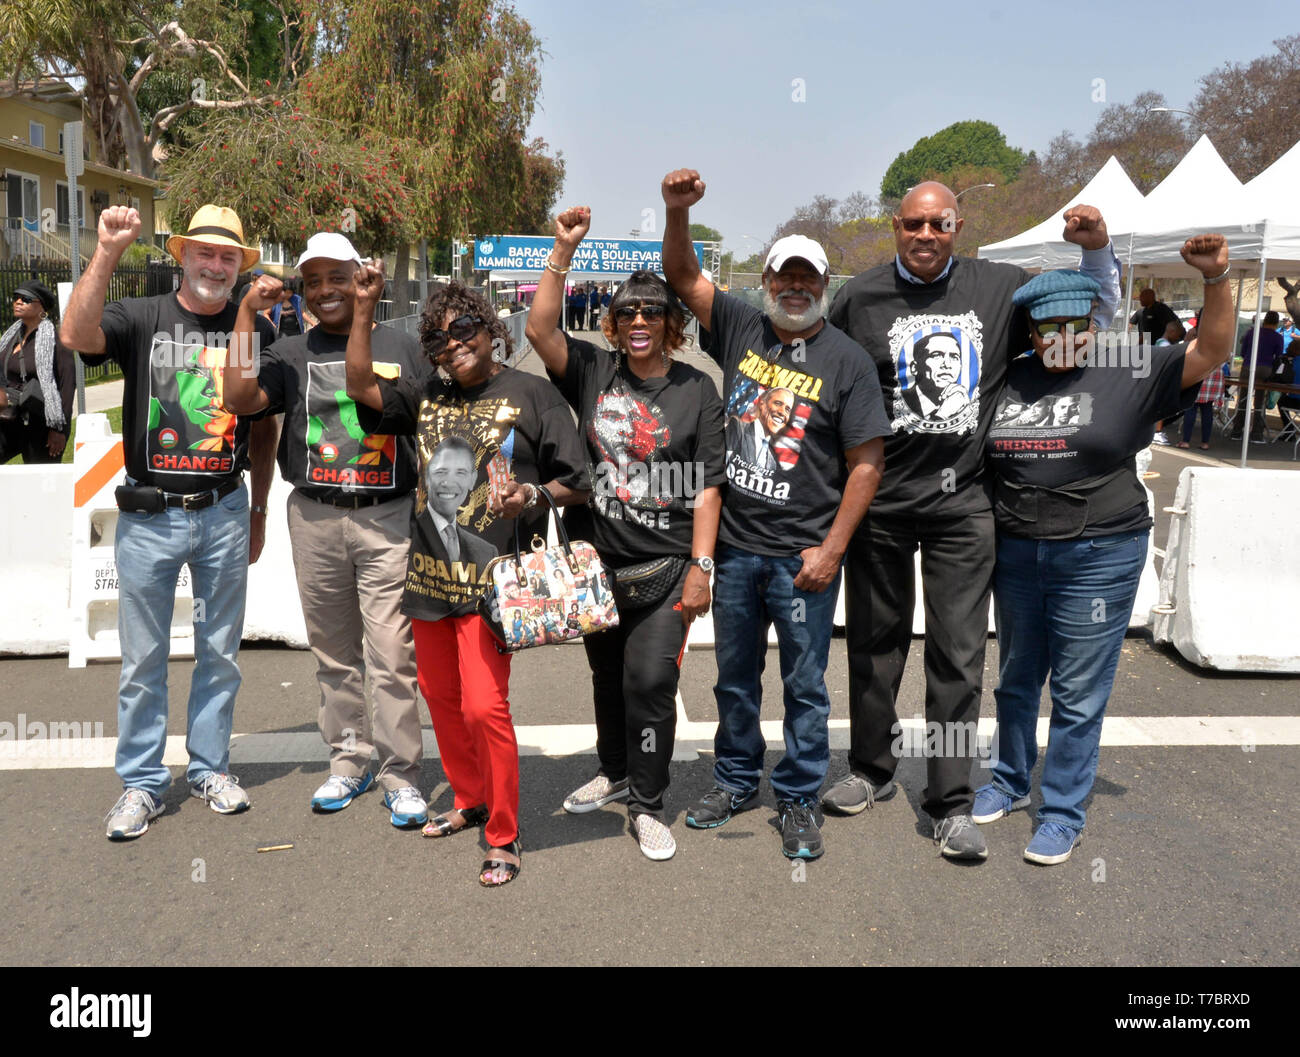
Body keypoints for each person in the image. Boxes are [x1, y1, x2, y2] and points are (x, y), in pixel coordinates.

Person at [824, 181, 1119, 861]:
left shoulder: (1000, 286)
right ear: (896, 226)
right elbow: (829, 383)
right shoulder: (859, 297)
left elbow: (1084, 312)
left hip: (964, 506)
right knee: (875, 644)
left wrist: (1096, 247)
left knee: (957, 654)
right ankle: (871, 769)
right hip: (882, 501)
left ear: (958, 226)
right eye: (915, 224)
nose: (927, 235)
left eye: (941, 224)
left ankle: (950, 802)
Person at [976, 234, 1233, 864]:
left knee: (1078, 690)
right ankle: (1008, 781)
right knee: (1014, 680)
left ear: (1096, 322)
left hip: (1098, 553)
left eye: (1076, 323)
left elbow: (1213, 349)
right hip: (1016, 550)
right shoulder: (1007, 375)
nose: (1062, 336)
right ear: (1030, 331)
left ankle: (1062, 811)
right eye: (1047, 327)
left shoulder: (1133, 367)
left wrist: (1217, 279)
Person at [662, 168, 889, 861]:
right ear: (765, 279)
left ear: (825, 285)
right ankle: (735, 778)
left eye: (807, 278)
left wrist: (831, 550)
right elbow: (681, 273)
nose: (795, 287)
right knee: (734, 677)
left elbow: (866, 465)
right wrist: (676, 211)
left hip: (802, 559)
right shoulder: (740, 325)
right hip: (734, 549)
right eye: (783, 277)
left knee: (804, 684)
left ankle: (795, 796)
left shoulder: (847, 361)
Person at [345, 266, 589, 886]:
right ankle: (468, 797)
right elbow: (359, 387)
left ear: (490, 329)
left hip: (495, 586)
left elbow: (580, 479)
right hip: (428, 580)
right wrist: (365, 307)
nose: (454, 345)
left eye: (464, 329)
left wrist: (530, 495)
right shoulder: (428, 393)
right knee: (443, 701)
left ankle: (503, 833)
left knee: (484, 707)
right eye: (439, 340)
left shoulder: (531, 394)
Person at [60, 203, 279, 840]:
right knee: (143, 659)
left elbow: (263, 434)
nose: (216, 265)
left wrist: (259, 507)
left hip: (225, 512)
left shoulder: (251, 332)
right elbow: (76, 335)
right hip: (151, 516)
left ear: (240, 266)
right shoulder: (144, 316)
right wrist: (106, 250)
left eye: (228, 256)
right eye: (204, 253)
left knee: (219, 653)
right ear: (181, 256)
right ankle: (143, 783)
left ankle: (210, 768)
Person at [524, 206, 725, 861]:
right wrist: (562, 249)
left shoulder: (698, 390)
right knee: (606, 680)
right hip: (594, 567)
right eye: (628, 313)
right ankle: (613, 770)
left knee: (648, 684)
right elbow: (538, 327)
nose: (640, 321)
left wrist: (702, 566)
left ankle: (647, 803)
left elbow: (709, 487)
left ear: (673, 323)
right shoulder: (591, 371)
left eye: (653, 312)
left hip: (665, 568)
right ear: (613, 323)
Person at [222, 231, 432, 827]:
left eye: (335, 276)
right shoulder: (291, 352)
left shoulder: (403, 341)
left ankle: (401, 774)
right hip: (314, 513)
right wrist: (244, 311)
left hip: (388, 513)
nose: (324, 291)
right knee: (335, 655)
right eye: (311, 281)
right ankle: (347, 761)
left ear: (360, 274)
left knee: (392, 652)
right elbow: (238, 397)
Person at [0, 281, 74, 463]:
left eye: (25, 299)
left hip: (40, 423)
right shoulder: (10, 337)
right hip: (8, 418)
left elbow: (67, 387)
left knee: (43, 482)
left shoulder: (57, 341)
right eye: (16, 297)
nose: (18, 302)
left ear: (42, 307)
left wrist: (59, 430)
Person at [1231, 310, 1284, 442]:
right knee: (1260, 402)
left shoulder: (1252, 332)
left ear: (1264, 320)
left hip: (1248, 366)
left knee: (1243, 399)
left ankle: (1237, 431)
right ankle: (1256, 434)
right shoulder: (1278, 337)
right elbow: (1278, 357)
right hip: (1266, 369)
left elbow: (1243, 352)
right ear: (1277, 323)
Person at [726, 386, 794, 471]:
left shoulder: (772, 463)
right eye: (778, 403)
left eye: (787, 409)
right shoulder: (737, 428)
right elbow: (708, 458)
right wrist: (703, 483)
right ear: (762, 404)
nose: (782, 412)